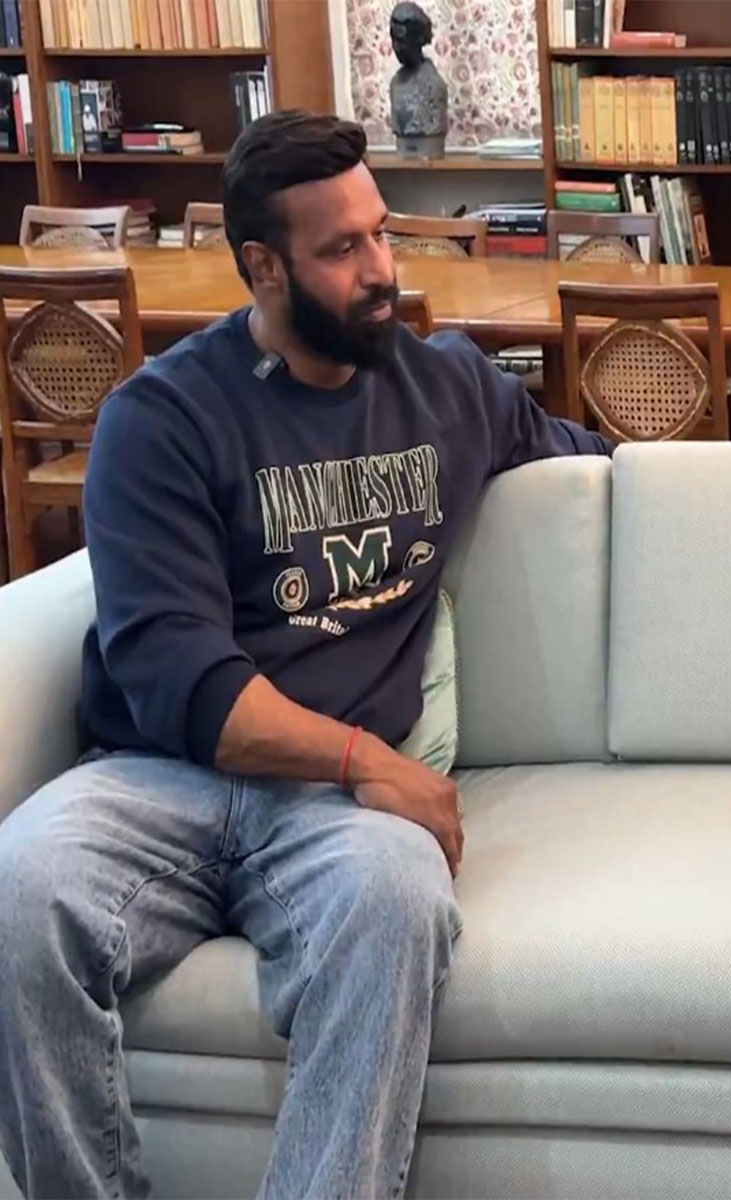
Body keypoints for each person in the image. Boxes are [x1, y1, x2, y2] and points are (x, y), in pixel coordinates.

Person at [0, 109, 610, 1199]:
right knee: (16, 889)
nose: (381, 270)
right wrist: (370, 763)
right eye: (343, 249)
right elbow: (180, 681)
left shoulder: (449, 389)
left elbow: (600, 468)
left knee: (398, 906)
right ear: (261, 268)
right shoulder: (165, 419)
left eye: (382, 234)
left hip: (334, 825)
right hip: (159, 777)